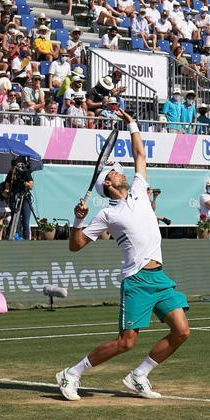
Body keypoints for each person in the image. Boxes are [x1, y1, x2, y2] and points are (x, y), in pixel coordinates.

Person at [57, 109, 190, 401]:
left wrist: (131, 124)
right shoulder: (106, 213)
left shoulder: (140, 189)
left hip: (160, 277)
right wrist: (78, 220)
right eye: (116, 170)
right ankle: (71, 373)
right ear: (108, 182)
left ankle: (138, 375)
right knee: (126, 342)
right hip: (138, 280)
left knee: (182, 331)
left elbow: (140, 153)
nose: (122, 171)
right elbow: (75, 246)